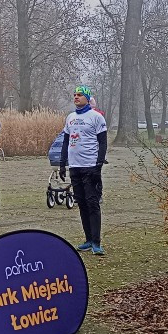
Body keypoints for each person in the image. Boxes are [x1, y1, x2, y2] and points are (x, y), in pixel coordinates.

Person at [59, 85, 108, 255]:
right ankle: (88, 239)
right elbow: (65, 142)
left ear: (87, 98)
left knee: (92, 203)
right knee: (81, 204)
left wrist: (99, 164)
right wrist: (62, 164)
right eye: (74, 95)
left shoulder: (96, 117)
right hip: (75, 167)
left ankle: (96, 242)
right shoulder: (70, 117)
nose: (76, 97)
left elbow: (103, 142)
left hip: (90, 166)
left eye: (79, 95)